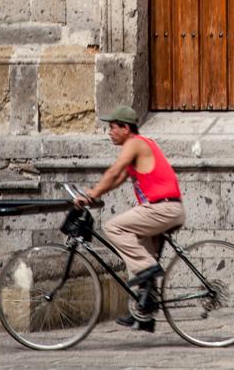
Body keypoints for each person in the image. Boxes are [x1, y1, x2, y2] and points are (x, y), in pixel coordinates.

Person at [73, 104, 185, 332]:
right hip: (166, 209)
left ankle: (148, 270)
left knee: (113, 227)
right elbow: (118, 179)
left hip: (161, 209)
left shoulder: (134, 143)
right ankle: (144, 314)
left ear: (126, 128)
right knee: (142, 254)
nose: (109, 132)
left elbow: (114, 171)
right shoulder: (140, 146)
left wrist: (92, 194)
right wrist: (95, 194)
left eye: (113, 127)